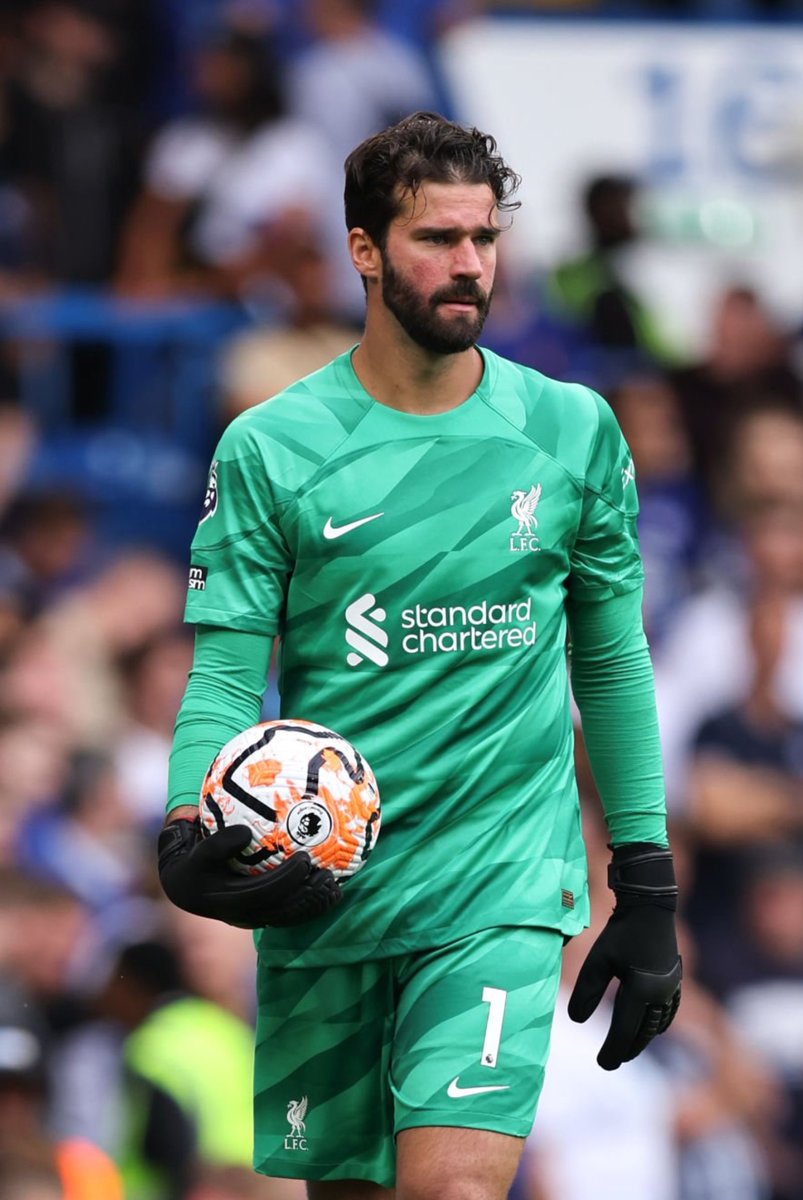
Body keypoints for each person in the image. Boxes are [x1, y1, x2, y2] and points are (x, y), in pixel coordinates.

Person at [158, 111, 682, 1199]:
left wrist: (643, 878)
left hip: (498, 889)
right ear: (363, 251)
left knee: (451, 1190)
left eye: (483, 239)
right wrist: (183, 825)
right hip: (322, 889)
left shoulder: (571, 430)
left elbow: (612, 666)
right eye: (436, 240)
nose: (467, 265)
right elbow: (220, 676)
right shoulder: (272, 447)